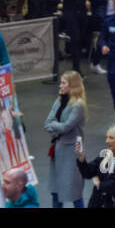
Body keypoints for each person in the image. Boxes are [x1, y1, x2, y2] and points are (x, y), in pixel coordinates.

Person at [44, 70, 86, 207]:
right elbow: (47, 122)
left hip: (72, 152)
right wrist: (56, 126)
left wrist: (54, 126)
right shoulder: (59, 100)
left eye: (63, 83)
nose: (60, 86)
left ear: (72, 85)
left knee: (74, 191)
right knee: (56, 191)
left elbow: (66, 127)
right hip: (58, 149)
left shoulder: (78, 105)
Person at [76, 122, 115, 208]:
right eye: (107, 137)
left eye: (111, 138)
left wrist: (99, 185)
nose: (107, 141)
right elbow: (88, 173)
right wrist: (81, 158)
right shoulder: (105, 156)